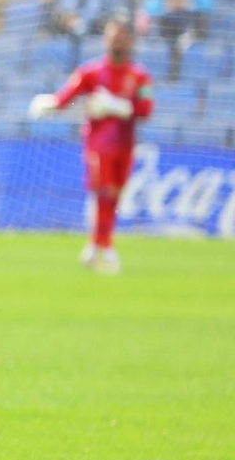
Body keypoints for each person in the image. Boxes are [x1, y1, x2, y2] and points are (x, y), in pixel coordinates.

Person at [29, 20, 153, 274]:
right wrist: (50, 104)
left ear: (130, 41)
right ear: (105, 40)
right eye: (112, 37)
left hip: (125, 144)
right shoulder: (91, 72)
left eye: (121, 37)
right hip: (98, 145)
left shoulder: (140, 76)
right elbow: (67, 95)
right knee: (104, 194)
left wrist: (115, 105)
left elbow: (145, 109)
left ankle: (95, 248)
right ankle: (106, 248)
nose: (116, 42)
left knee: (114, 196)